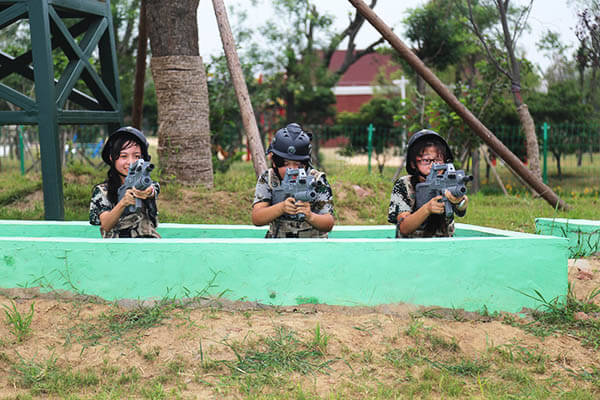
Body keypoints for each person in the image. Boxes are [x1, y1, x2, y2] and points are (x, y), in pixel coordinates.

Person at [252, 123, 334, 238]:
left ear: (306, 164)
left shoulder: (317, 180)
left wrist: (310, 216)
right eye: (285, 164)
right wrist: (281, 208)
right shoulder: (269, 178)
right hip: (278, 244)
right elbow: (257, 217)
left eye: (298, 164)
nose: (292, 169)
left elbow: (328, 223)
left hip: (312, 245)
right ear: (275, 163)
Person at [388, 129, 469, 238]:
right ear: (413, 163)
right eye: (426, 160)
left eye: (438, 160)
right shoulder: (403, 185)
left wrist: (461, 202)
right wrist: (427, 209)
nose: (433, 166)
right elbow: (404, 227)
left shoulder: (449, 180)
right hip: (410, 248)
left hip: (443, 248)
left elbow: (461, 209)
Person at [89, 126, 160, 238]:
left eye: (136, 156)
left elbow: (152, 190)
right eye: (123, 156)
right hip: (117, 250)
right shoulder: (102, 191)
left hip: (149, 248)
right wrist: (123, 203)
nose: (130, 162)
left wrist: (148, 192)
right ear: (112, 158)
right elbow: (106, 225)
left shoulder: (149, 184)